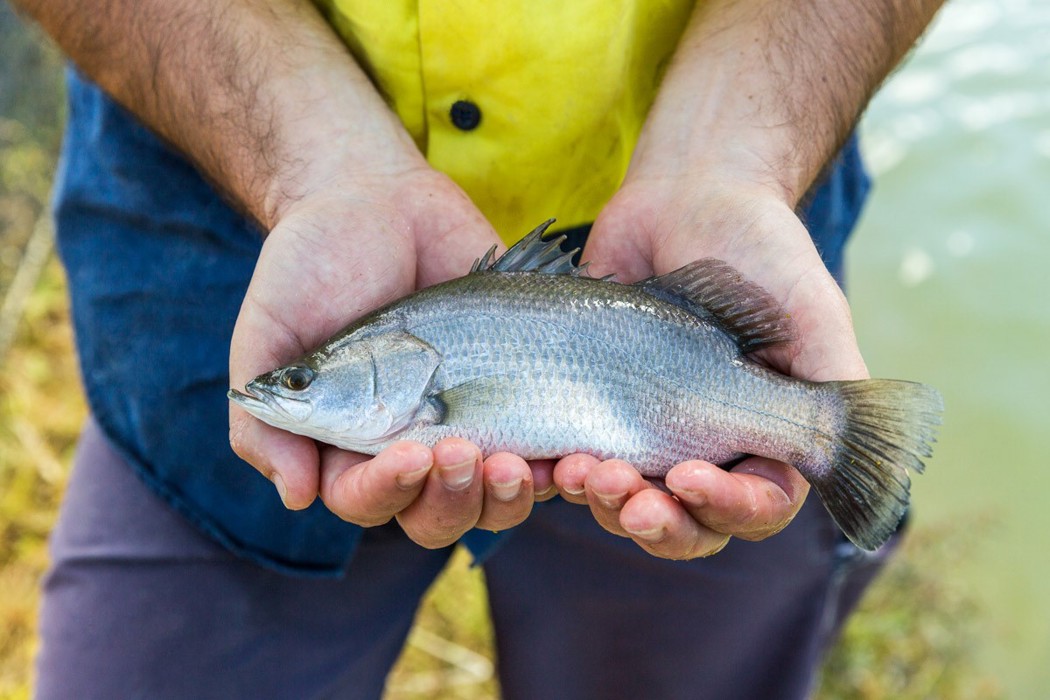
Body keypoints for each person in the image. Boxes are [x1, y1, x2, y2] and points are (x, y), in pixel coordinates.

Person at [15, 1, 943, 698]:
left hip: (719, 204)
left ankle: (832, 433)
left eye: (302, 381)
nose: (285, 388)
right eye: (301, 379)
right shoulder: (334, 327)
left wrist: (730, 152)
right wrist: (315, 166)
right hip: (236, 226)